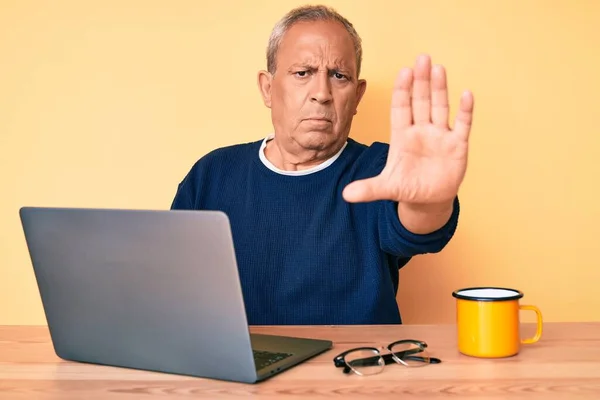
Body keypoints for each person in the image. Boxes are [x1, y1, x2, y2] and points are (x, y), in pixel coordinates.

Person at [170, 4, 474, 325]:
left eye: (338, 76)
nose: (322, 93)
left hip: (358, 369)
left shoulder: (383, 169)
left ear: (356, 97)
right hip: (238, 370)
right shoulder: (211, 176)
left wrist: (432, 201)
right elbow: (171, 288)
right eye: (303, 73)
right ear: (268, 88)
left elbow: (418, 228)